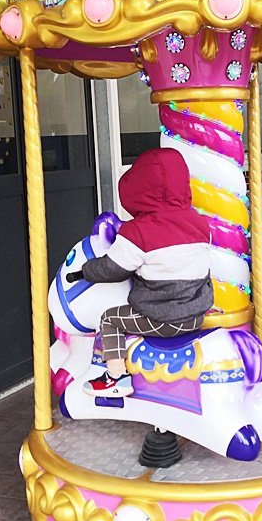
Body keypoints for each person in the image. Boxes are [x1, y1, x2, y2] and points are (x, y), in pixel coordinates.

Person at [74, 147, 213, 398]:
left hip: (162, 318)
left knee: (109, 318)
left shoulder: (138, 231)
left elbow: (112, 269)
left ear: (140, 187)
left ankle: (115, 377)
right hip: (196, 314)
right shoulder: (199, 223)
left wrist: (86, 270)